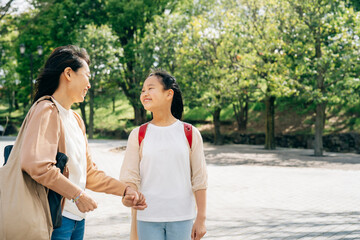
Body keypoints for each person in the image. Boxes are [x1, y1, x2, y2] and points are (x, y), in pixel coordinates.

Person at [20, 45, 147, 240]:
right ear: (69, 74)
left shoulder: (76, 119)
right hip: (54, 219)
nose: (89, 85)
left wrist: (125, 190)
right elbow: (37, 165)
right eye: (87, 76)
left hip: (77, 219)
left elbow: (89, 173)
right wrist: (77, 195)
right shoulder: (46, 110)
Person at [120, 70, 208, 240]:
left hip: (183, 217)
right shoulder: (138, 134)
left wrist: (201, 218)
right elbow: (130, 177)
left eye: (150, 88)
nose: (145, 93)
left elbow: (200, 179)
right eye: (143, 90)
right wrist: (129, 195)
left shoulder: (190, 133)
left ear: (169, 94)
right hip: (147, 218)